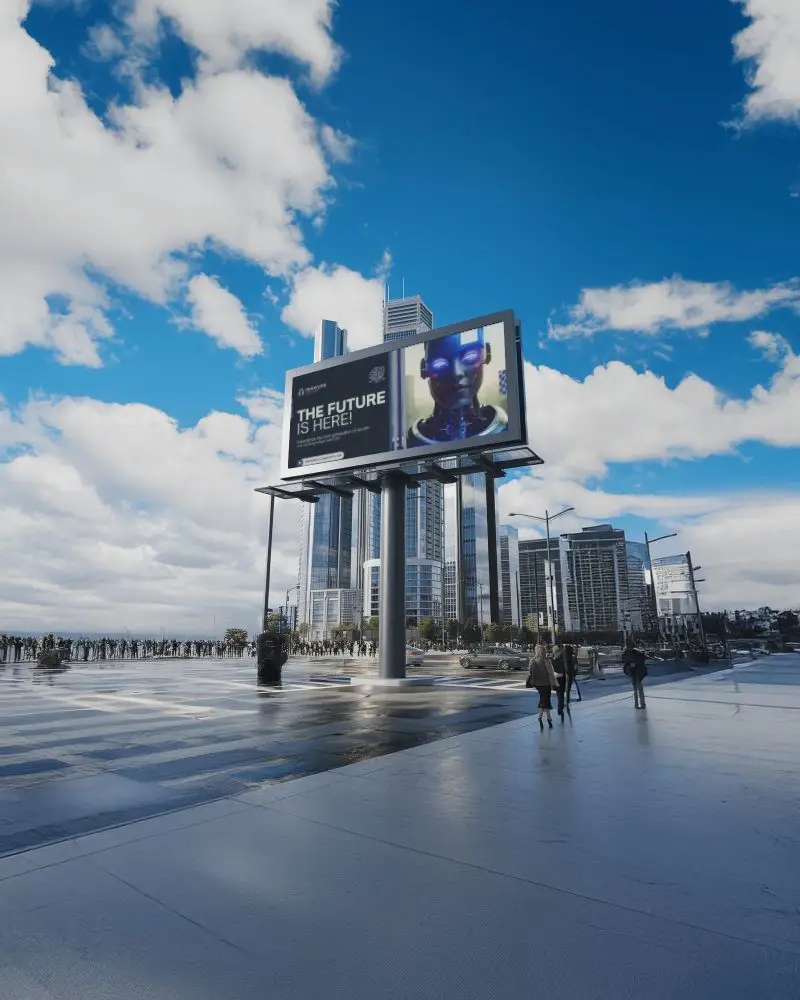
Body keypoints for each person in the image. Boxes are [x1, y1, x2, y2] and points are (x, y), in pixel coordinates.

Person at [406, 326, 508, 446]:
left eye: (470, 357)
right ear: (424, 369)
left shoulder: (502, 428)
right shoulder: (414, 440)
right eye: (440, 364)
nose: (456, 373)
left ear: (487, 354)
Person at [528, 643, 557, 730]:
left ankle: (546, 717)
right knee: (545, 699)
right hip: (546, 683)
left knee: (544, 699)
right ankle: (543, 717)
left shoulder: (532, 660)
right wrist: (553, 683)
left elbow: (530, 672)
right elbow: (550, 672)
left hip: (537, 683)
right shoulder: (546, 660)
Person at [622, 638, 648, 709]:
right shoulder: (627, 653)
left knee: (638, 688)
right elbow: (625, 661)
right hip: (633, 672)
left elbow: (643, 659)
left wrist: (634, 663)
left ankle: (641, 704)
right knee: (636, 689)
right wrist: (629, 666)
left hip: (638, 672)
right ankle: (638, 704)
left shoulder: (635, 652)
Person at [551, 642, 568, 720]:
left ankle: (560, 707)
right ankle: (560, 708)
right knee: (561, 694)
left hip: (555, 677)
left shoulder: (553, 658)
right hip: (562, 677)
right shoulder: (563, 657)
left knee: (559, 694)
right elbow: (565, 667)